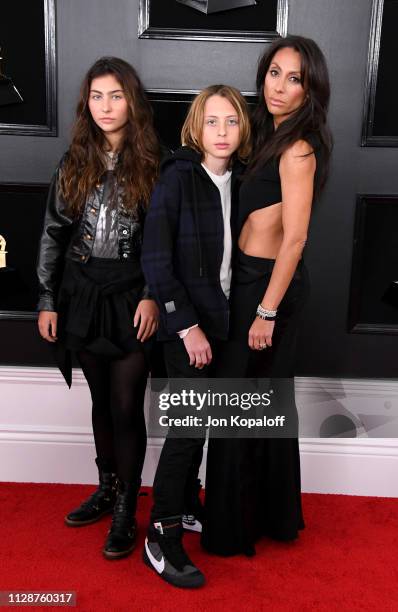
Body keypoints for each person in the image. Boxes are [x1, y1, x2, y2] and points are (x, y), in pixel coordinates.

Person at [202, 35, 333, 557]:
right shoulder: (265, 132)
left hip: (268, 290)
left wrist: (266, 311)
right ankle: (262, 517)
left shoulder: (298, 147)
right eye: (274, 72)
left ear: (309, 89)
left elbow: (296, 238)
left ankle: (237, 527)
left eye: (294, 78)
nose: (279, 86)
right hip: (251, 281)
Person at [37, 57, 161, 559]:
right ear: (85, 103)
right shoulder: (73, 161)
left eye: (115, 95)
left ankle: (128, 507)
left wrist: (154, 293)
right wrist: (47, 299)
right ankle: (107, 488)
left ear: (132, 101)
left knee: (127, 403)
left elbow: (163, 242)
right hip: (82, 293)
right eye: (96, 96)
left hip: (133, 295)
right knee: (100, 401)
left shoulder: (157, 163)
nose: (106, 106)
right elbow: (52, 233)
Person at [141, 85, 251, 587]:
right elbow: (157, 260)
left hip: (227, 322)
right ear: (195, 127)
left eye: (231, 121)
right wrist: (186, 327)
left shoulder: (245, 179)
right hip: (188, 328)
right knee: (185, 432)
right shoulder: (179, 177)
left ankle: (187, 504)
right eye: (212, 122)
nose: (222, 132)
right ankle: (160, 536)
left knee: (203, 427)